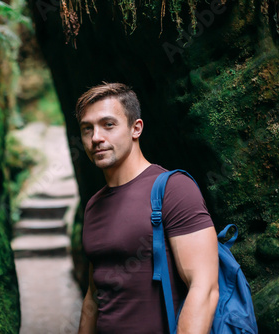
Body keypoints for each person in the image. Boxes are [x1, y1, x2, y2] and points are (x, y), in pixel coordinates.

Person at [76, 82, 219, 334]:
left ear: (136, 128)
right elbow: (93, 296)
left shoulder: (173, 190)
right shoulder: (93, 206)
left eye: (108, 125)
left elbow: (204, 287)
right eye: (88, 129)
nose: (96, 137)